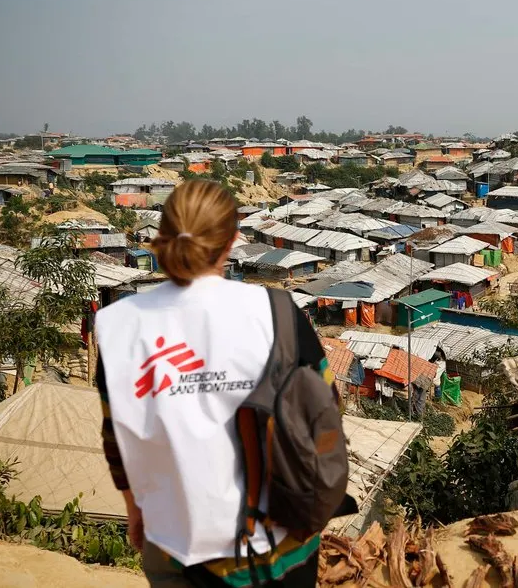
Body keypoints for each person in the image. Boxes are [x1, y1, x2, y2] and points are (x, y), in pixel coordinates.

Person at [96, 180, 340, 587]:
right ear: (232, 241)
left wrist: (135, 509)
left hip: (176, 541)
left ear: (164, 238)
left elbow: (116, 438)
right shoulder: (276, 312)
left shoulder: (119, 326)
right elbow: (325, 406)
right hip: (277, 544)